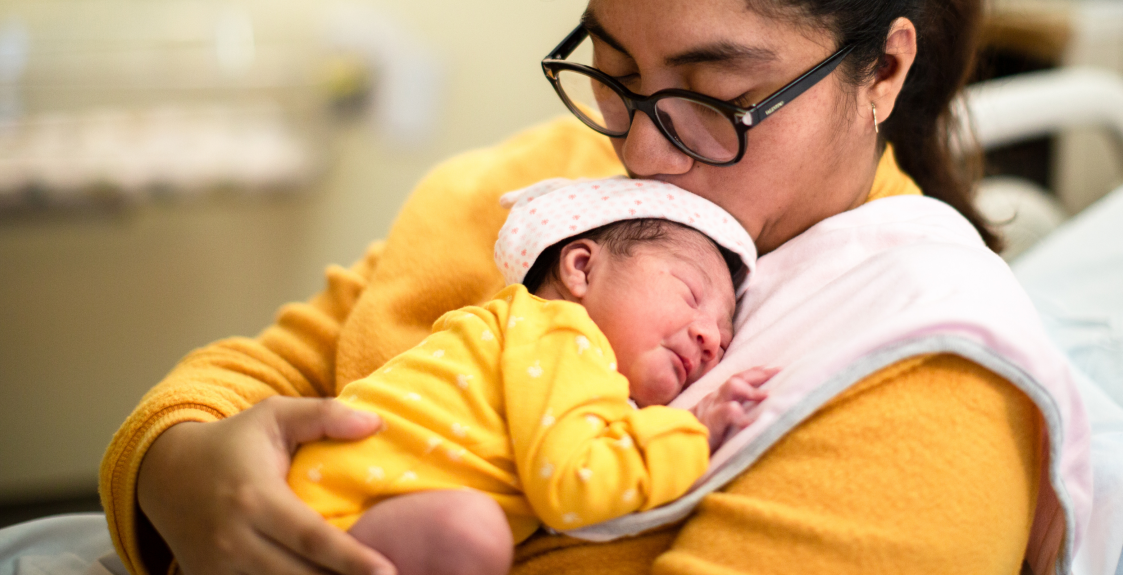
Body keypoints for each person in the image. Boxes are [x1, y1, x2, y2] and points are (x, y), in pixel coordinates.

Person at [99, 0, 1090, 574]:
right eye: (615, 73)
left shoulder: (926, 377)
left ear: (881, 69)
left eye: (717, 98)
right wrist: (180, 475)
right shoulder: (544, 184)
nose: (644, 150)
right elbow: (270, 365)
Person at [287, 178, 769, 575]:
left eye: (725, 338)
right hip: (326, 524)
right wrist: (693, 432)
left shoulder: (520, 335)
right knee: (469, 531)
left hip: (326, 513)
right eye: (689, 294)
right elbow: (576, 484)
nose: (711, 337)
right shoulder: (561, 332)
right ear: (581, 269)